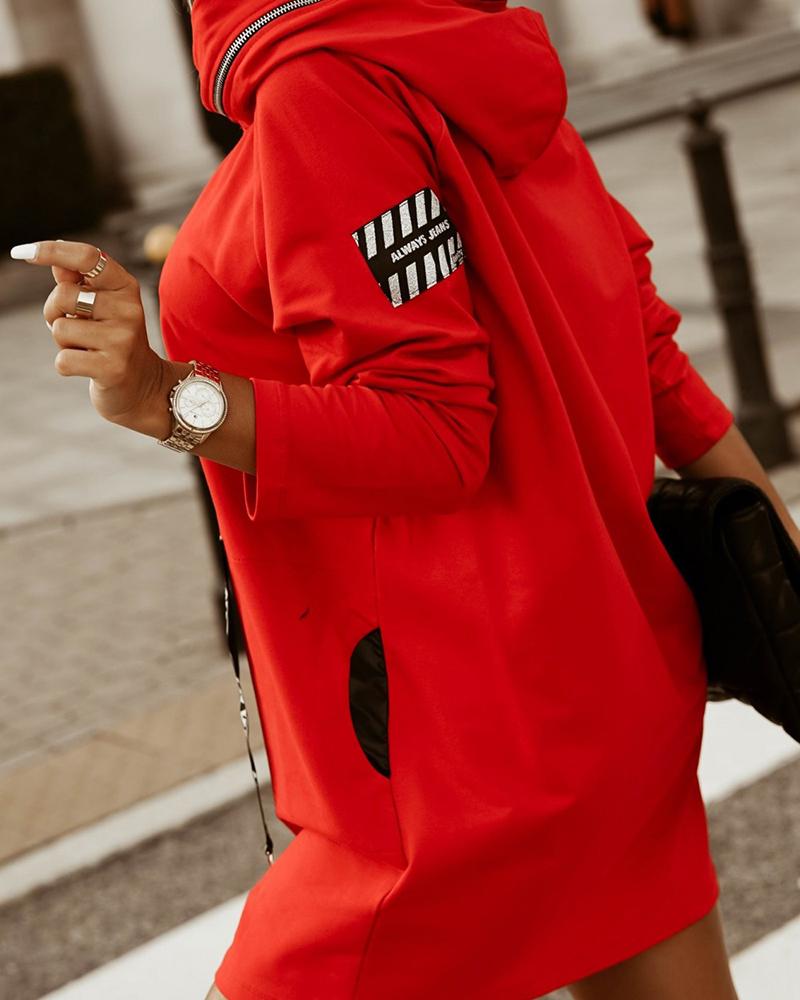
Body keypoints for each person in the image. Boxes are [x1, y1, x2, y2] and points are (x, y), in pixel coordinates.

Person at [12, 1, 797, 997]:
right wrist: (780, 567)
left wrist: (166, 398)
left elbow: (436, 430)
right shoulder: (465, 51)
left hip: (453, 755)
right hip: (611, 684)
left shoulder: (324, 88)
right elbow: (649, 356)